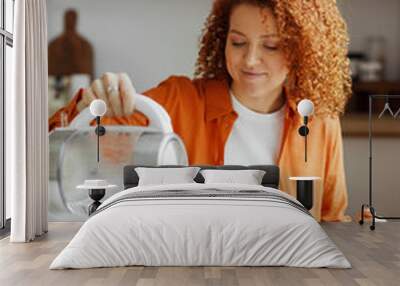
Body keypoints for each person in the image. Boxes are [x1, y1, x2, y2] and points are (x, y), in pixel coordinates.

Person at [49, 0, 352, 222]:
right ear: (223, 39)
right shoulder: (178, 100)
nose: (250, 60)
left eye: (271, 46)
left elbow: (332, 219)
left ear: (303, 50)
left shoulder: (320, 122)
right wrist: (92, 102)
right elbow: (68, 144)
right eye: (238, 42)